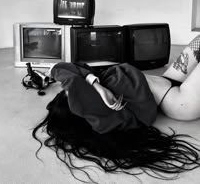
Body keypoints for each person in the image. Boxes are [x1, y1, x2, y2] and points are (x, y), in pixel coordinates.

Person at [32, 35, 200, 183]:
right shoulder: (96, 114)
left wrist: (97, 85)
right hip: (178, 100)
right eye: (70, 92)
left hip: (168, 79)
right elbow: (59, 70)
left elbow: (60, 68)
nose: (68, 88)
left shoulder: (94, 85)